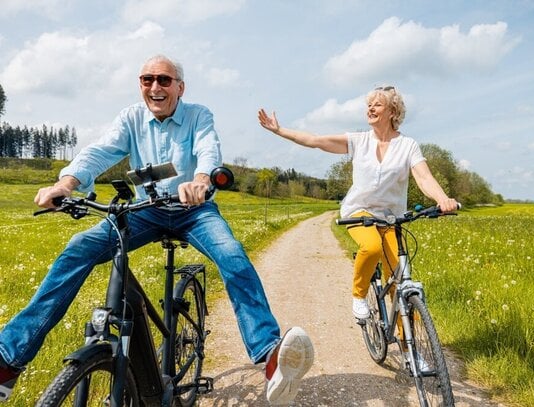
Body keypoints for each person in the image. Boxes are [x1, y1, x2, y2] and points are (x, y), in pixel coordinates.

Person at [0, 55, 313, 405]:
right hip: (145, 211)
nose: (155, 87)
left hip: (194, 209)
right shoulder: (131, 118)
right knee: (78, 247)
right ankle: (9, 360)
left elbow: (208, 149)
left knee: (232, 255)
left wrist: (200, 179)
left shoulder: (198, 115)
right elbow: (100, 152)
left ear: (180, 86)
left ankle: (269, 356)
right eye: (146, 79)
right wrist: (67, 184)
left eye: (164, 80)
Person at [258, 85, 458, 321]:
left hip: (391, 217)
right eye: (369, 104)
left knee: (400, 278)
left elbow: (424, 177)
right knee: (372, 247)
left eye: (377, 104)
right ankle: (359, 295)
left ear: (393, 111)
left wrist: (442, 198)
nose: (370, 108)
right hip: (358, 212)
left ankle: (410, 352)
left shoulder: (408, 146)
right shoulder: (358, 141)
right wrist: (279, 130)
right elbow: (315, 140)